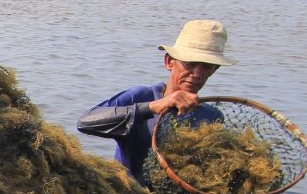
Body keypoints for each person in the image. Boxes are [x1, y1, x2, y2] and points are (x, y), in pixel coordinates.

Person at [77, 20, 235, 183]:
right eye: (190, 63)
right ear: (169, 62)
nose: (197, 73)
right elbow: (85, 123)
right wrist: (152, 107)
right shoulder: (141, 97)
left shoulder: (211, 116)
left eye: (206, 66)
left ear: (214, 70)